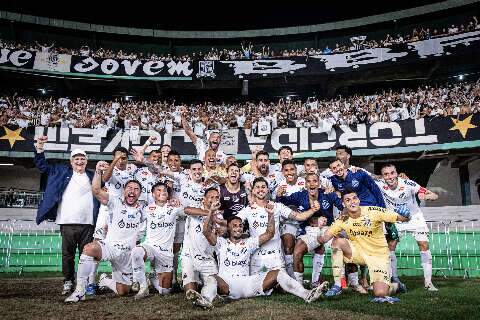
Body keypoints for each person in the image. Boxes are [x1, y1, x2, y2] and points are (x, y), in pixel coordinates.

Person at [202, 201, 327, 303]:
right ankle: (205, 301)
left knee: (278, 273)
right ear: (228, 228)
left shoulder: (248, 243)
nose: (238, 228)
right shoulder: (221, 243)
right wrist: (211, 212)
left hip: (247, 284)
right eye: (234, 226)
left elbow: (269, 233)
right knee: (211, 278)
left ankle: (307, 295)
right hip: (227, 285)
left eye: (240, 225)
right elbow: (206, 232)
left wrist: (271, 215)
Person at [65, 162, 145, 302]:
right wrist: (97, 171)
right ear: (124, 190)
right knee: (89, 249)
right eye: (129, 188)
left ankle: (104, 280)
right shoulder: (115, 201)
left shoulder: (144, 209)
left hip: (127, 254)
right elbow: (96, 190)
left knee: (123, 291)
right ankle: (80, 291)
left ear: (140, 193)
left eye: (136, 189)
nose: (132, 191)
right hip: (111, 247)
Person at [316, 188, 411, 302]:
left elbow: (402, 218)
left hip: (378, 256)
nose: (352, 202)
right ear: (343, 204)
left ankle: (395, 286)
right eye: (348, 200)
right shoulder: (342, 219)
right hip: (358, 253)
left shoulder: (374, 211)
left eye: (354, 198)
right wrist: (319, 228)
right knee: (337, 241)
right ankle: (338, 284)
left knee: (380, 294)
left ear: (359, 200)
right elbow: (324, 238)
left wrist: (406, 215)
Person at [34, 135, 100, 295]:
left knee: (87, 256)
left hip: (89, 223)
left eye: (82, 159)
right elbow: (42, 166)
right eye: (76, 159)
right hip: (67, 222)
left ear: (86, 161)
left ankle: (84, 283)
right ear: (71, 161)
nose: (79, 161)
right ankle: (68, 282)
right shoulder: (60, 172)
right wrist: (40, 148)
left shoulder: (93, 176)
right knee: (68, 255)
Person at [237, 177, 320, 274]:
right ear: (253, 191)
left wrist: (312, 210)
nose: (260, 190)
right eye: (257, 187)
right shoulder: (247, 210)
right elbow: (233, 223)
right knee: (258, 288)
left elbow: (299, 216)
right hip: (257, 257)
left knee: (282, 285)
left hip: (276, 258)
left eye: (263, 187)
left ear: (268, 190)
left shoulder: (277, 206)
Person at [376, 164, 439, 291]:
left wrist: (426, 196)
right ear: (382, 177)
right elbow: (368, 176)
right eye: (386, 174)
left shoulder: (408, 183)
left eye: (392, 173)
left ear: (397, 173)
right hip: (396, 219)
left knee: (424, 245)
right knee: (391, 245)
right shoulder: (379, 183)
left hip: (414, 218)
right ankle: (394, 280)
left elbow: (433, 195)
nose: (390, 176)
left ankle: (428, 282)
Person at [277, 173, 344, 288]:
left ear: (319, 183)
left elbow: (343, 207)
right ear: (305, 184)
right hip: (309, 230)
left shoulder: (327, 194)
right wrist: (279, 195)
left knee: (336, 246)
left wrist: (340, 221)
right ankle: (299, 286)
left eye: (314, 181)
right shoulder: (300, 195)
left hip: (327, 229)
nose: (312, 184)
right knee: (297, 252)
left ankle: (339, 283)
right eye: (309, 181)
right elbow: (283, 201)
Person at [131, 182, 183, 299]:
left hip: (165, 253)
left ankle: (154, 276)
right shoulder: (147, 209)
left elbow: (186, 214)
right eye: (158, 190)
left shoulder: (174, 208)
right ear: (153, 194)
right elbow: (136, 223)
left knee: (165, 292)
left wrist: (180, 204)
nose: (162, 192)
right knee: (136, 252)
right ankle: (143, 287)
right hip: (150, 247)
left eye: (164, 190)